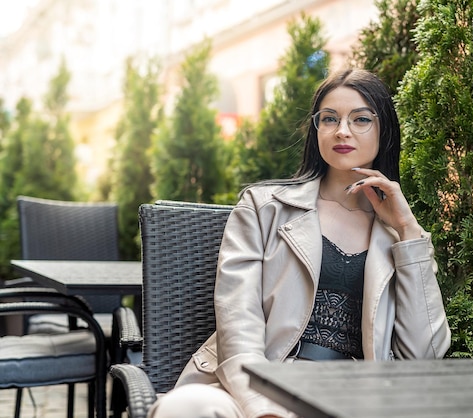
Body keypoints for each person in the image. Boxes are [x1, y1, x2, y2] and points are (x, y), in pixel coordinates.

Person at [149, 68, 451, 418]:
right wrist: (263, 409)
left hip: (354, 398)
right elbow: (238, 324)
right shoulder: (263, 208)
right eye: (329, 119)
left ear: (384, 131)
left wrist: (408, 230)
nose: (342, 131)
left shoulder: (400, 236)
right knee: (186, 407)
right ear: (316, 129)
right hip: (260, 384)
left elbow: (423, 357)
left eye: (361, 119)